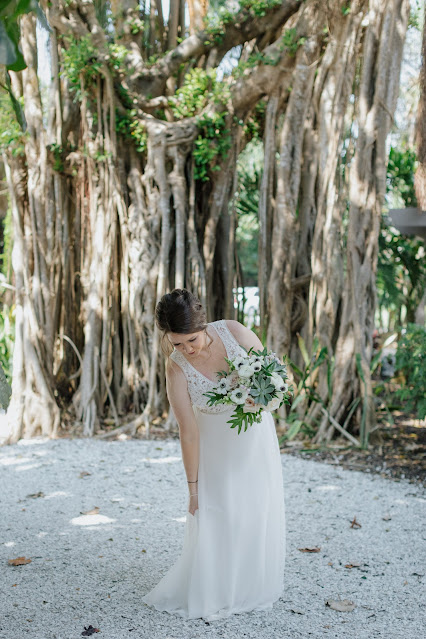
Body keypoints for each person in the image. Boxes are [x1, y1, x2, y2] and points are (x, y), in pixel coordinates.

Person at [142, 288, 286, 621]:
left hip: (255, 438)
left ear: (204, 325)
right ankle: (217, 589)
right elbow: (188, 433)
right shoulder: (177, 368)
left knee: (256, 508)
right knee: (219, 512)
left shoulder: (234, 332)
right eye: (176, 343)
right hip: (215, 448)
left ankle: (251, 586)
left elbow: (273, 375)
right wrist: (193, 489)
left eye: (190, 340)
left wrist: (265, 398)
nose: (185, 349)